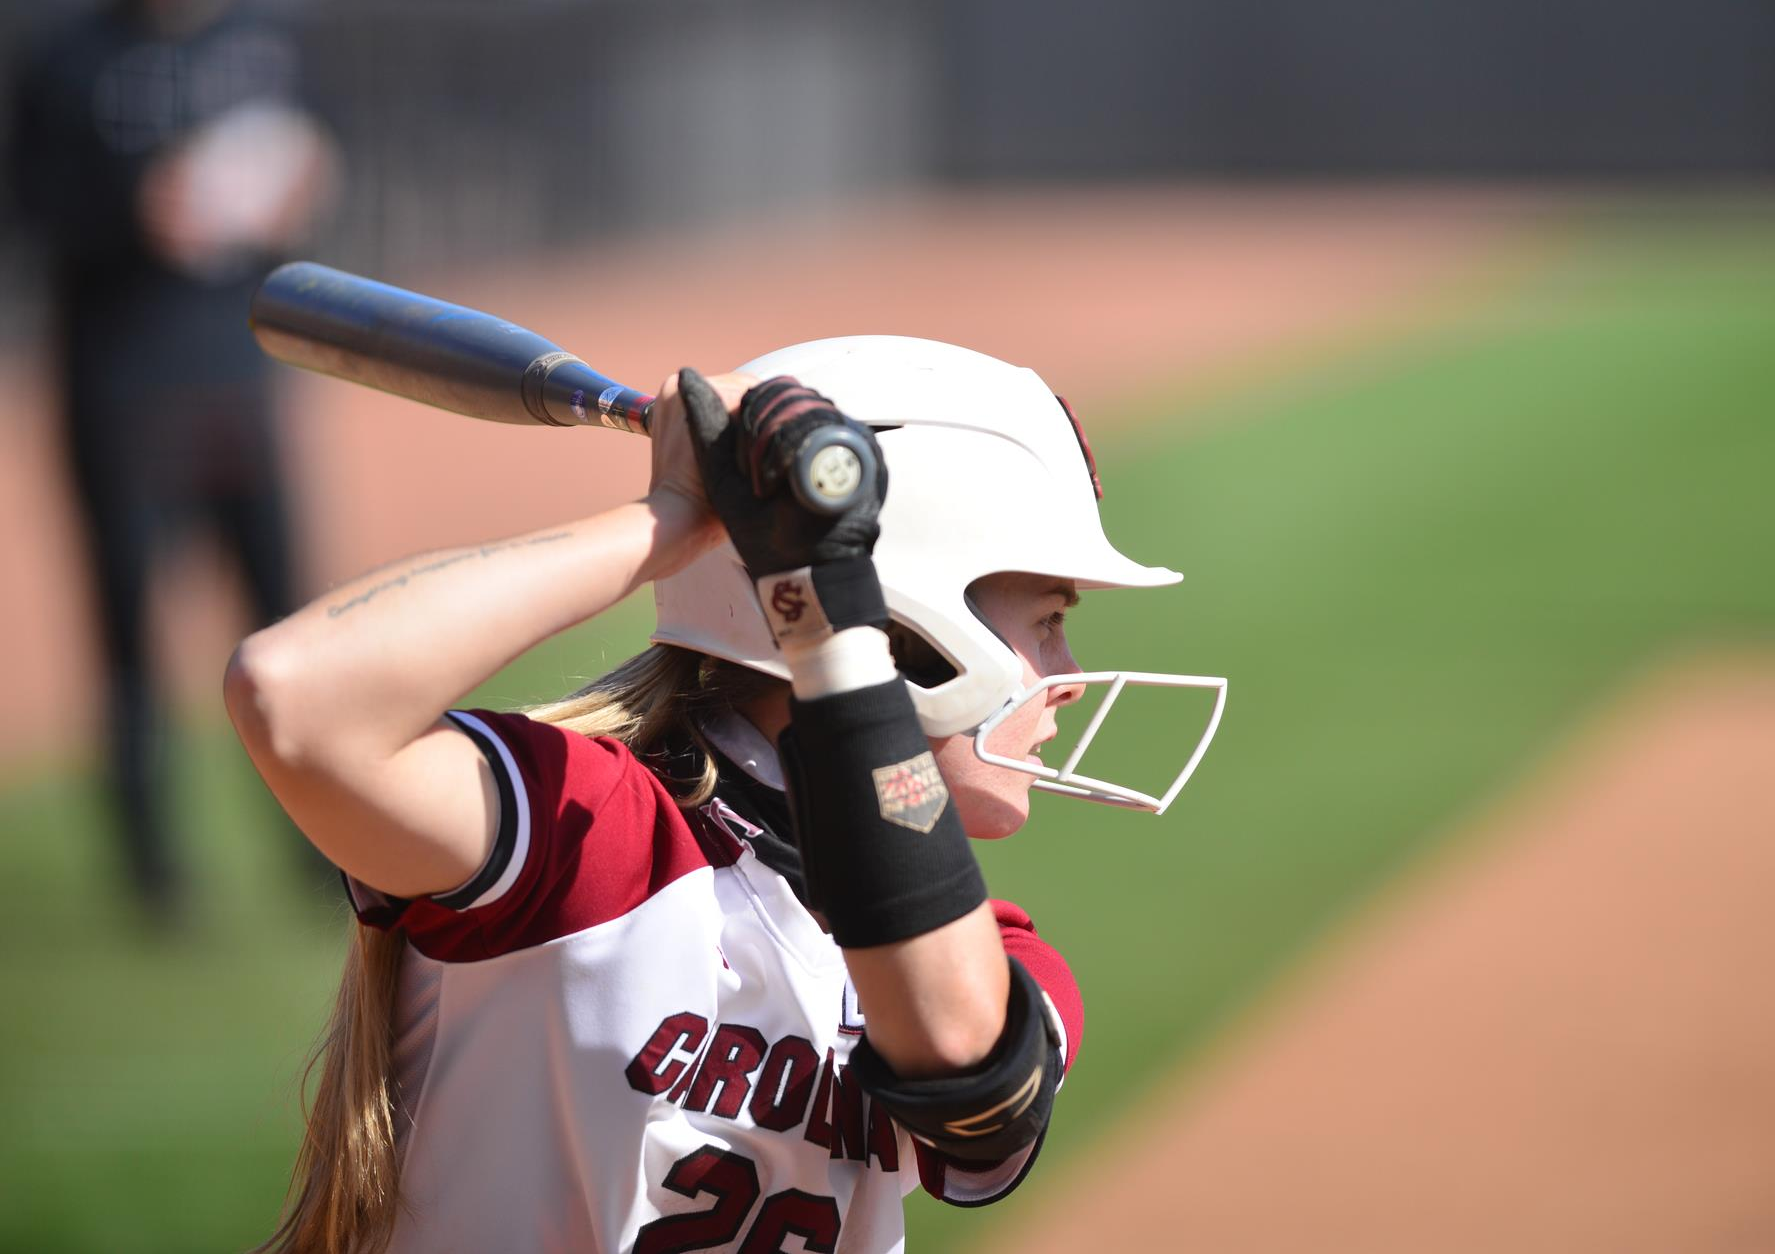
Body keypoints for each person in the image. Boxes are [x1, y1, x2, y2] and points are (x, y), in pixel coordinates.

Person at [226, 336, 1226, 1252]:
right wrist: (664, 525)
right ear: (914, 627)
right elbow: (294, 698)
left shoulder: (996, 956)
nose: (1069, 672)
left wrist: (824, 626)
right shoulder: (590, 837)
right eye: (1047, 620)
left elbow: (969, 1069)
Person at [9, 0, 338, 921]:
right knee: (129, 637)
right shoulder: (70, 60)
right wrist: (133, 210)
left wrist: (294, 191)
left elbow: (318, 153)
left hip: (240, 378)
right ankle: (153, 875)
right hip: (119, 388)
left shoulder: (264, 39)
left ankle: (322, 847)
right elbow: (30, 202)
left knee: (288, 630)